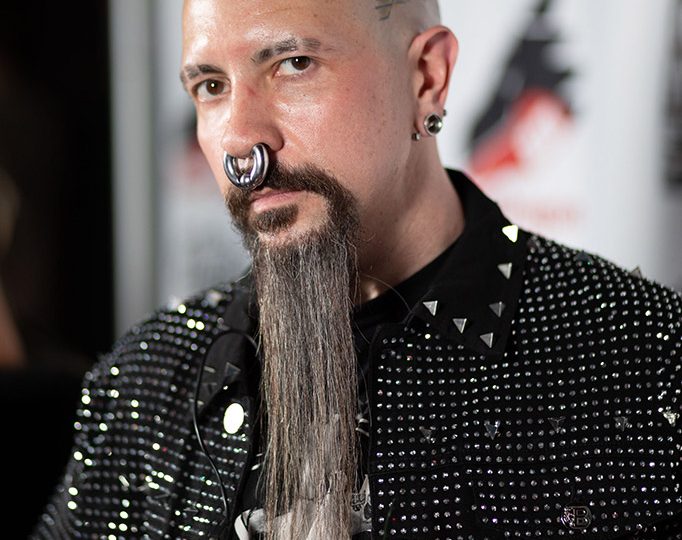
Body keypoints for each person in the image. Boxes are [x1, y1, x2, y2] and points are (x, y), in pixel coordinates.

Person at [33, 0, 681, 538]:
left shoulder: (646, 360)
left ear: (426, 78)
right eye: (211, 87)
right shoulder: (150, 377)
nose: (241, 142)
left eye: (293, 65)